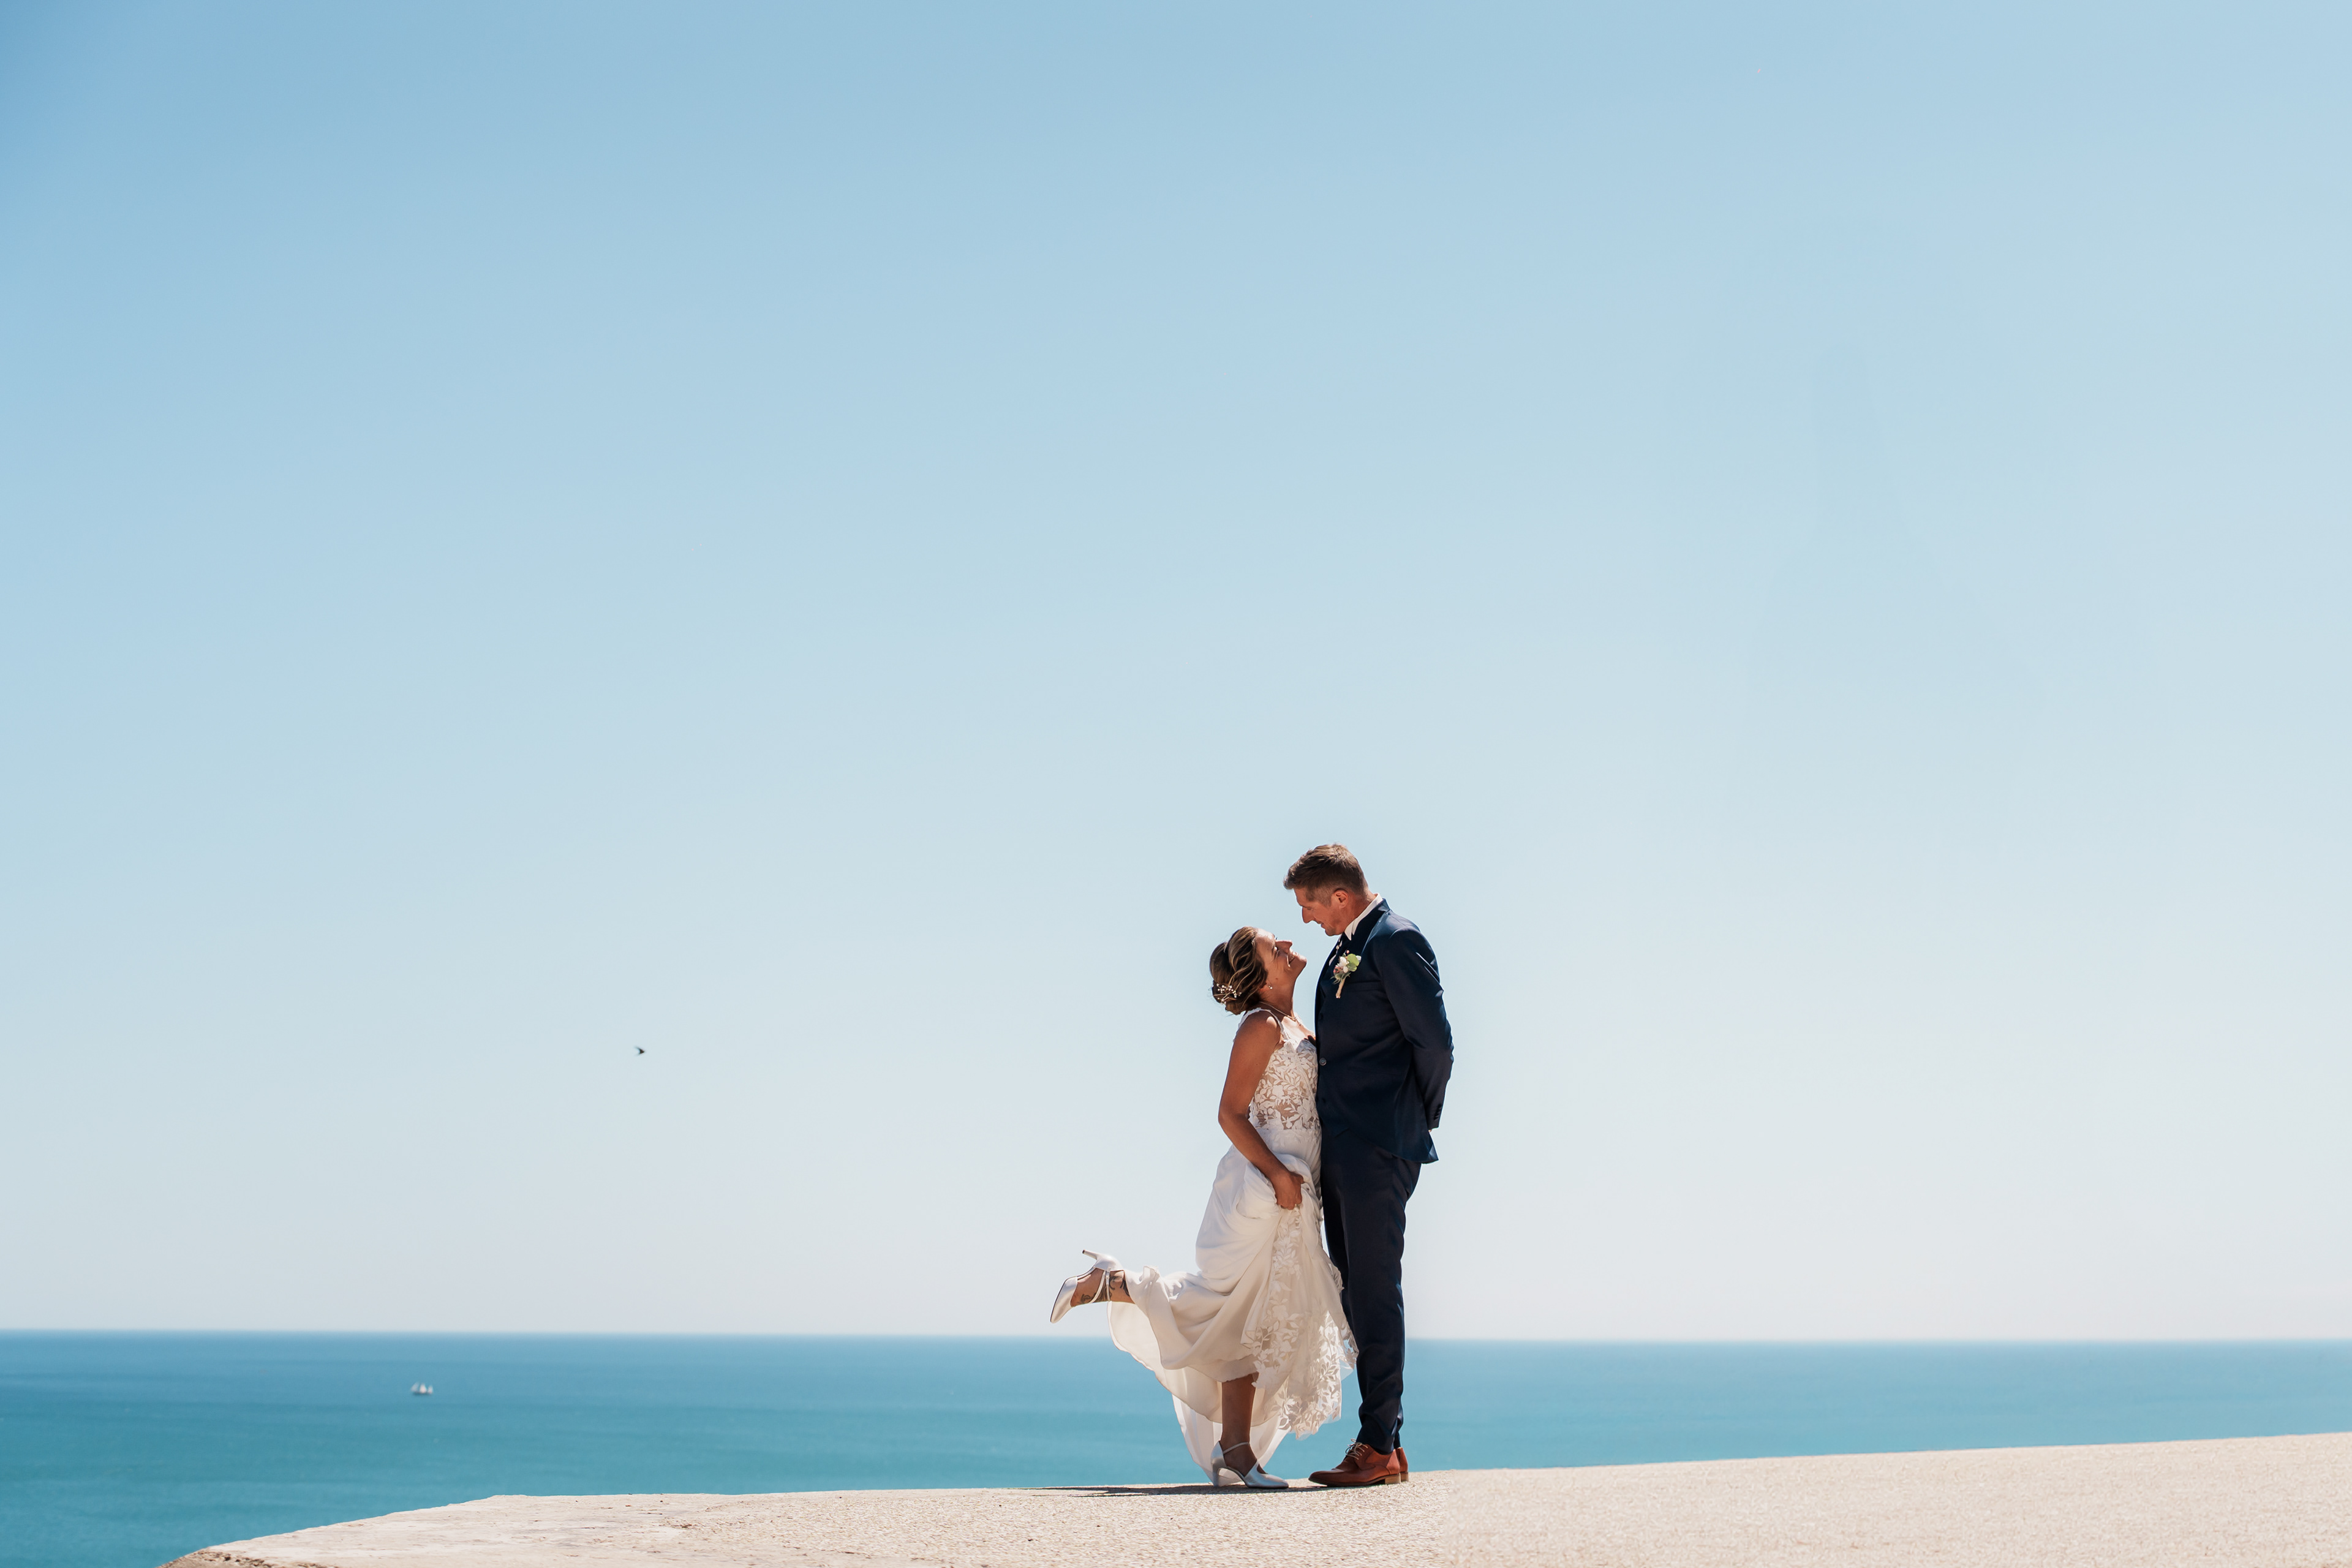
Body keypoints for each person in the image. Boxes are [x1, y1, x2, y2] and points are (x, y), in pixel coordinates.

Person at [1048, 927, 1355, 1488]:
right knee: (1232, 1307)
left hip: (1293, 1189)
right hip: (1266, 1187)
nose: (1287, 945)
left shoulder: (1293, 1024)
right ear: (1262, 976)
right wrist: (1277, 1175)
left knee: (1250, 1315)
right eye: (1274, 948)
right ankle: (1116, 1284)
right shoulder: (1262, 1026)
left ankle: (1235, 1452)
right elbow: (1230, 1113)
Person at [1287, 843, 1453, 1488]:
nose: (1306, 918)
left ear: (1340, 896)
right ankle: (1388, 1444)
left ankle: (1377, 1442)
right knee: (1356, 1289)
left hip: (1380, 1142)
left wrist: (1413, 1118)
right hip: (1344, 1144)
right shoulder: (1346, 948)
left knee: (1376, 1289)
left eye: (1309, 905)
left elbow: (1434, 1044)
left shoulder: (1396, 940)